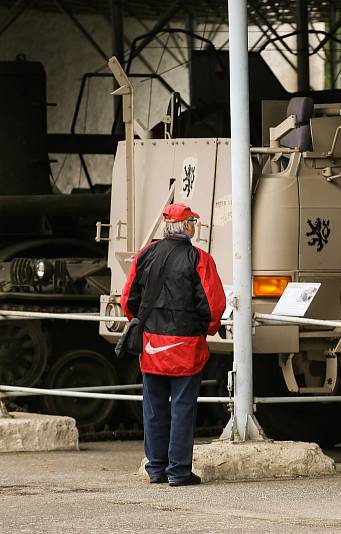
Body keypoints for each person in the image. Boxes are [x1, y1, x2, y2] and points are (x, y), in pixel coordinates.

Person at [121, 203, 225, 487]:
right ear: (187, 226)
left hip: (152, 343)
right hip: (186, 344)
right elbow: (213, 306)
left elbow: (128, 299)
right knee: (182, 408)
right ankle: (178, 472)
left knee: (153, 406)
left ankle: (156, 469)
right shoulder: (199, 259)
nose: (194, 226)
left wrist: (143, 323)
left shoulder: (145, 255)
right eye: (193, 221)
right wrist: (209, 329)